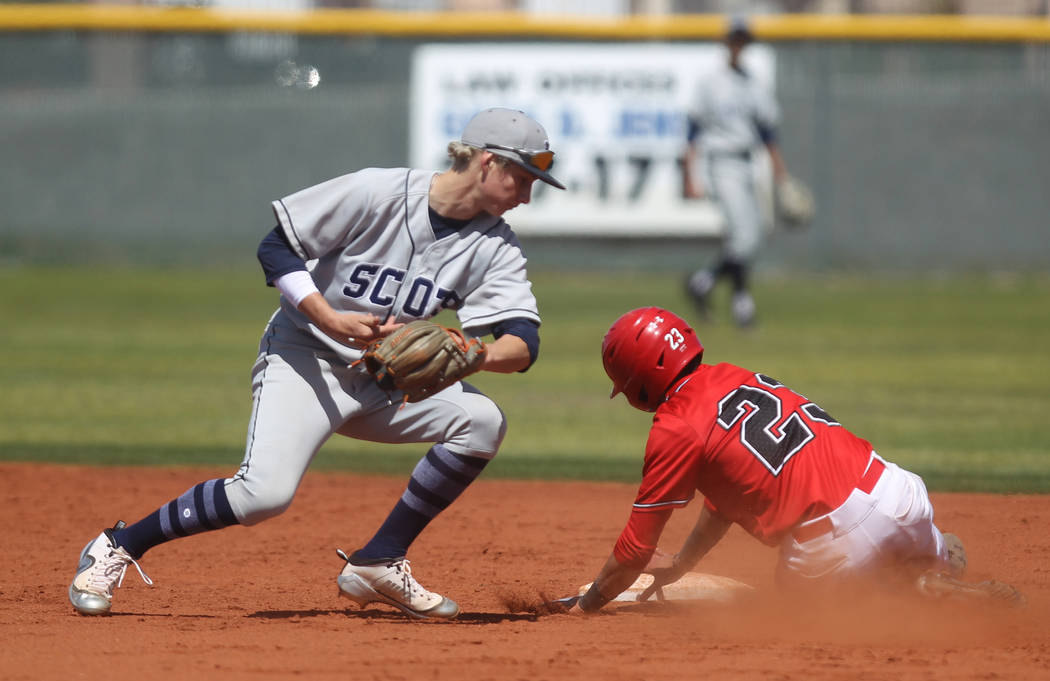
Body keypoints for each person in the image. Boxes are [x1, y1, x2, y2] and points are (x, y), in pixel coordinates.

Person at [68, 107, 566, 620]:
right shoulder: (379, 192)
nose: (528, 195)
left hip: (386, 384)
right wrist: (328, 317)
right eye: (524, 177)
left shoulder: (496, 246)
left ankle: (378, 561)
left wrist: (475, 352)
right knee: (263, 496)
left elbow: (524, 343)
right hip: (305, 359)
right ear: (487, 162)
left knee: (482, 422)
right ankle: (118, 544)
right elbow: (277, 247)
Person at [568, 307, 1023, 614]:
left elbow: (635, 550)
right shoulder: (735, 376)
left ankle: (911, 591)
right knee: (915, 544)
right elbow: (726, 499)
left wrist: (587, 606)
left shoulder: (675, 425)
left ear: (638, 380)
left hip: (839, 542)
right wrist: (685, 563)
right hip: (899, 491)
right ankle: (937, 560)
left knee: (796, 607)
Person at [682, 17, 791, 328]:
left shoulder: (752, 83)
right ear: (726, 43)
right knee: (744, 238)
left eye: (744, 41)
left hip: (747, 162)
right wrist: (691, 175)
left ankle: (705, 284)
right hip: (721, 162)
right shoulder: (709, 83)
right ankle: (740, 300)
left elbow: (768, 132)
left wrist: (781, 174)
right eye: (735, 40)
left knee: (752, 236)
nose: (739, 46)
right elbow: (692, 131)